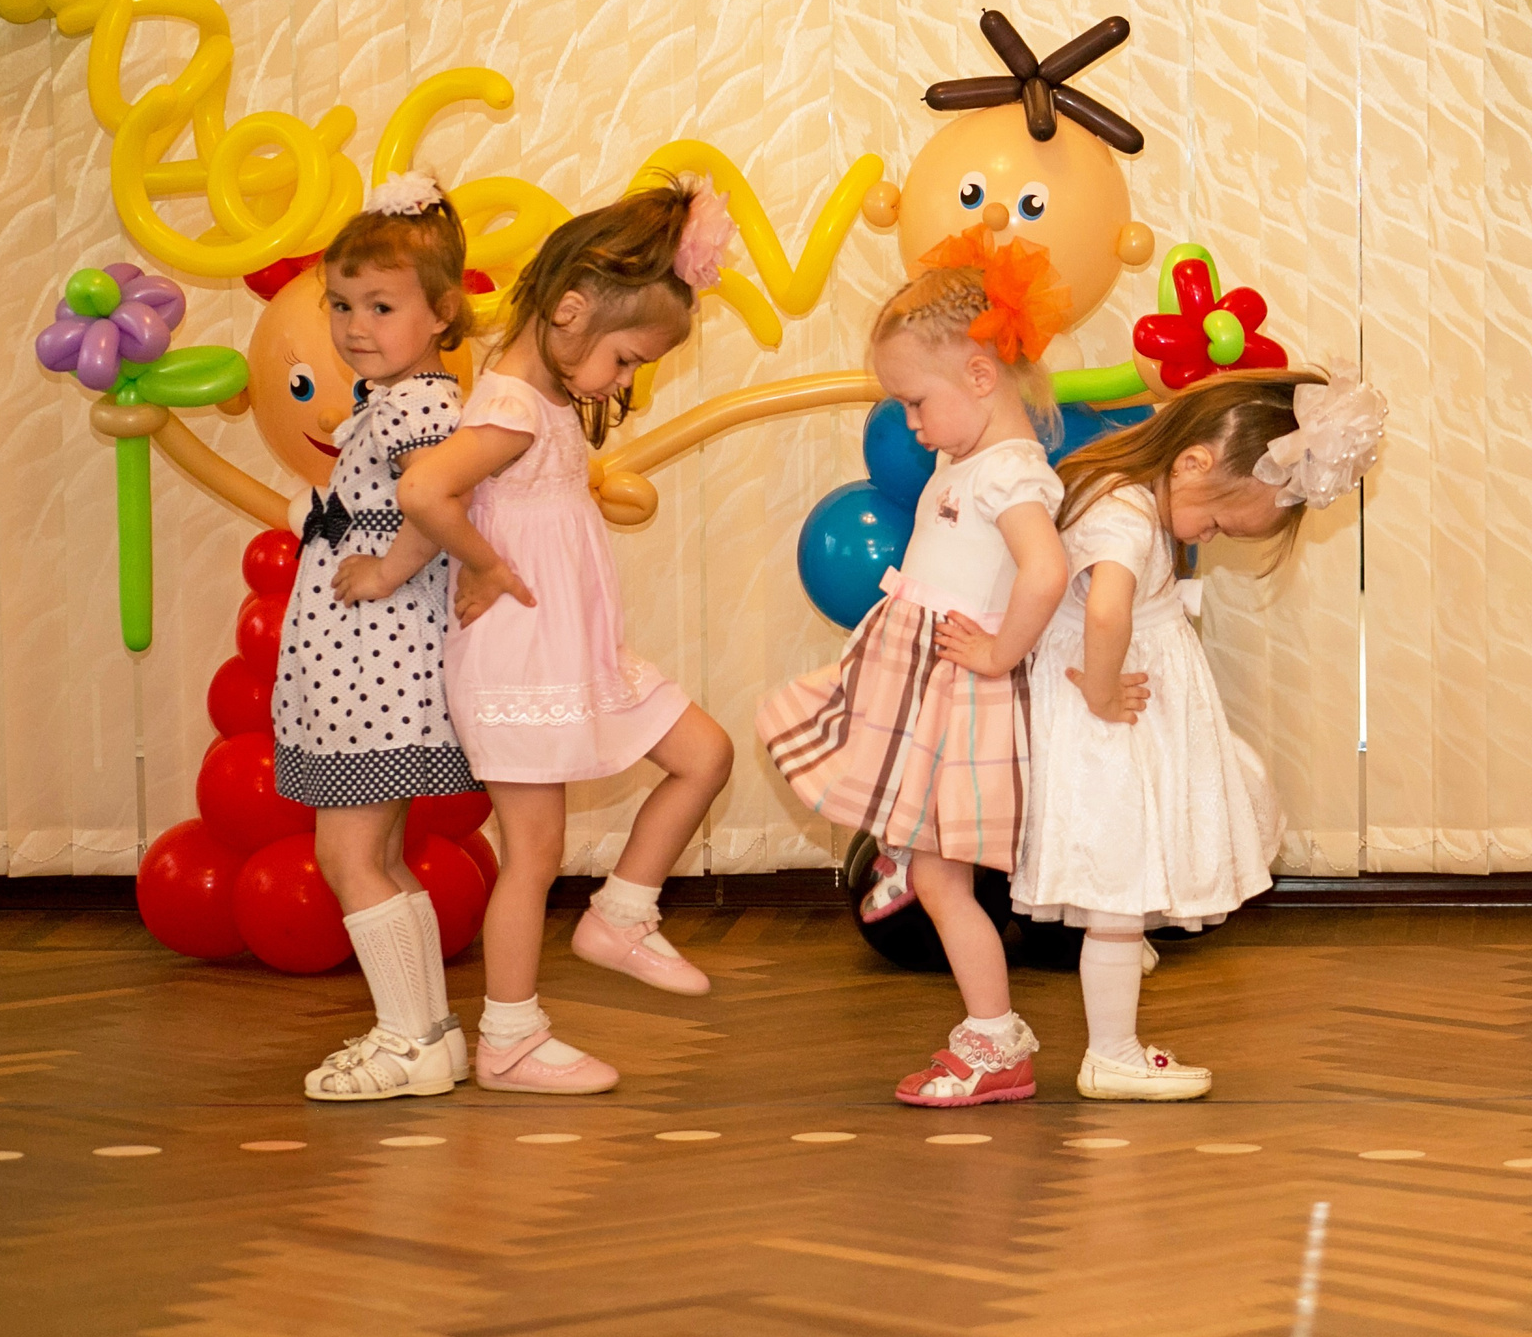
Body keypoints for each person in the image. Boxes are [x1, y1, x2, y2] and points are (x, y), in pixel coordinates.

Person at [397, 182, 737, 1094]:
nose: (623, 383)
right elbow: (426, 491)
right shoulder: (509, 408)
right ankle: (508, 1036)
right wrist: (482, 564)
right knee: (534, 851)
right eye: (626, 362)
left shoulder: (536, 404)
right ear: (571, 311)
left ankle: (621, 914)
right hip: (518, 659)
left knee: (705, 752)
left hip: (572, 653)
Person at [755, 234, 1071, 1108]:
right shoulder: (960, 459)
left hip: (964, 689)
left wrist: (1003, 652)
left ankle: (995, 1037)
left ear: (978, 376)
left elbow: (1044, 573)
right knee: (923, 855)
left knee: (942, 878)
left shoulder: (1011, 471)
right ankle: (982, 1017)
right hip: (925, 681)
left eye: (915, 402)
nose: (910, 424)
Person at [1009, 369, 1379, 1099]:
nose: (1207, 537)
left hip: (1120, 723)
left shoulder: (1129, 497)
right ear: (1193, 462)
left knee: (1126, 882)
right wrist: (1108, 685)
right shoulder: (1122, 511)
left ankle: (1115, 1006)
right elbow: (1107, 611)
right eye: (1214, 524)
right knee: (1116, 891)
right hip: (1107, 725)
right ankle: (1111, 1051)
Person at [284, 173, 482, 1101]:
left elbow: (435, 498)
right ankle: (427, 1036)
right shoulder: (395, 399)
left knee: (348, 856)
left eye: (381, 305)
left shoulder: (416, 409)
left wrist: (389, 567)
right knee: (380, 856)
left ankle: (408, 1038)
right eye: (341, 304)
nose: (355, 325)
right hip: (369, 666)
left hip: (376, 666)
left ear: (442, 313)